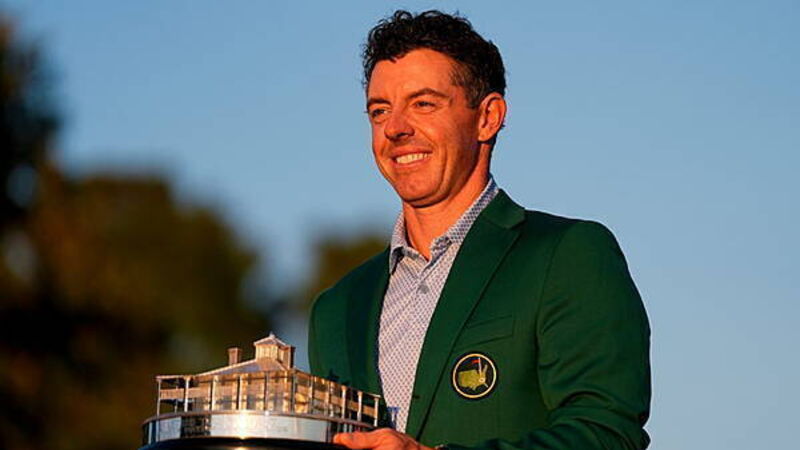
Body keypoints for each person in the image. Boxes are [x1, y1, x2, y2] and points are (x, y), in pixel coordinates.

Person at [307, 10, 651, 450]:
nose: (395, 128)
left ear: (488, 116)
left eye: (423, 104)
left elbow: (607, 435)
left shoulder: (567, 255)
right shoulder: (336, 309)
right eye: (380, 110)